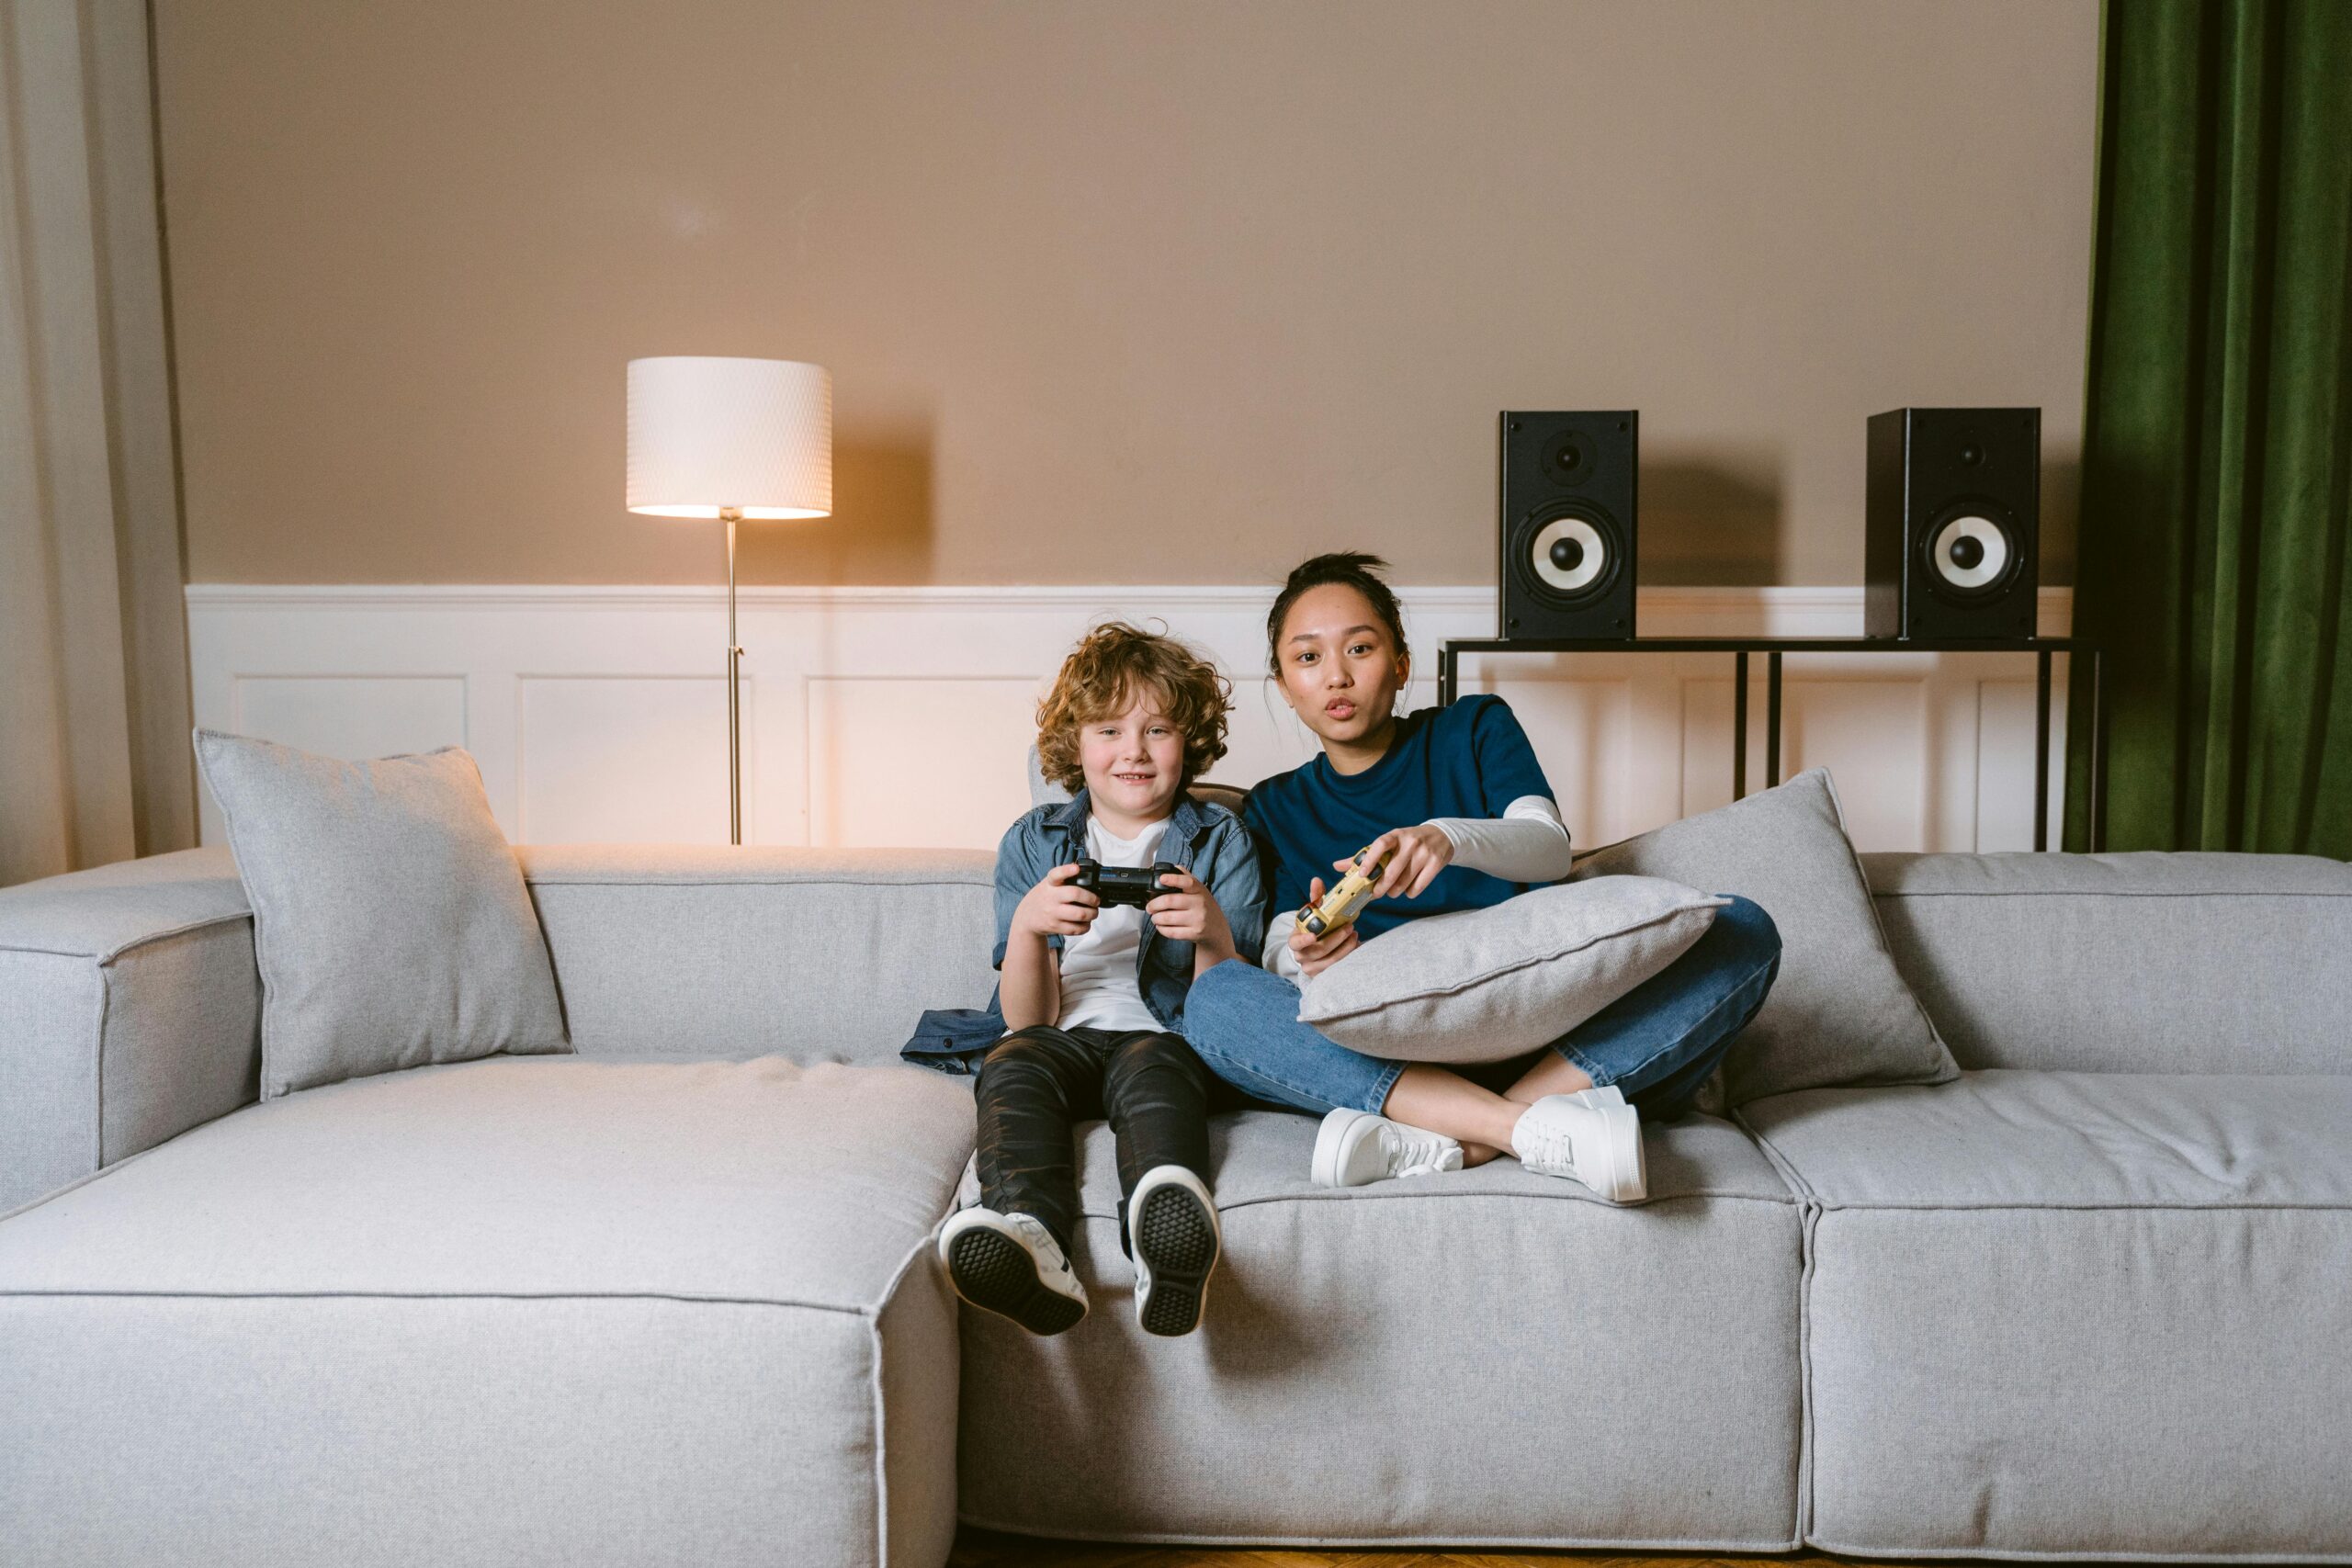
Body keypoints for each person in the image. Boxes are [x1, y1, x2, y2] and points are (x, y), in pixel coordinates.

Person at [1183, 553, 1782, 1203]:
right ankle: (1519, 1126)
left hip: (1557, 1040)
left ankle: (1457, 1137)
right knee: (1215, 1000)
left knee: (1742, 929)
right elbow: (1277, 942)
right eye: (1308, 657)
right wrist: (1310, 959)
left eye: (1360, 646)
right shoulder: (1275, 806)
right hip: (1397, 1060)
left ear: (1401, 662)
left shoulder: (1473, 728)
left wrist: (1448, 836)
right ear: (1283, 683)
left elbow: (1549, 848)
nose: (1337, 674)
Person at [903, 623, 1267, 1337]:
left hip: (1166, 1035)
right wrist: (1032, 928)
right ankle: (1031, 1236)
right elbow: (1027, 1020)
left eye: (1158, 728)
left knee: (1157, 1067)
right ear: (1076, 746)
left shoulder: (1225, 839)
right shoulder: (1034, 840)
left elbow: (1233, 1009)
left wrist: (1214, 933)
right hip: (1057, 1035)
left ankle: (1163, 1237)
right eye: (1109, 729)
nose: (1133, 750)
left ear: (1190, 742)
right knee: (1011, 1066)